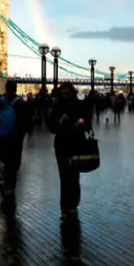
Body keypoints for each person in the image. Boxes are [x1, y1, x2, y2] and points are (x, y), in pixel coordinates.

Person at [49, 82, 91, 223]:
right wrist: (75, 124)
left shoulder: (60, 106)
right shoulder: (76, 104)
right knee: (71, 176)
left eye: (66, 91)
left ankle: (68, 207)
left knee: (67, 176)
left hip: (65, 144)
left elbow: (52, 127)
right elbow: (86, 122)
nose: (65, 94)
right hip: (73, 144)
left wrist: (67, 124)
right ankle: (69, 207)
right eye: (64, 91)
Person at [0, 80, 31, 214]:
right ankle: (9, 187)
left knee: (5, 159)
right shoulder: (20, 103)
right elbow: (27, 121)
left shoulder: (0, 101)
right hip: (16, 137)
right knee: (14, 161)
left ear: (6, 88)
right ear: (16, 88)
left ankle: (6, 182)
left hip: (2, 136)